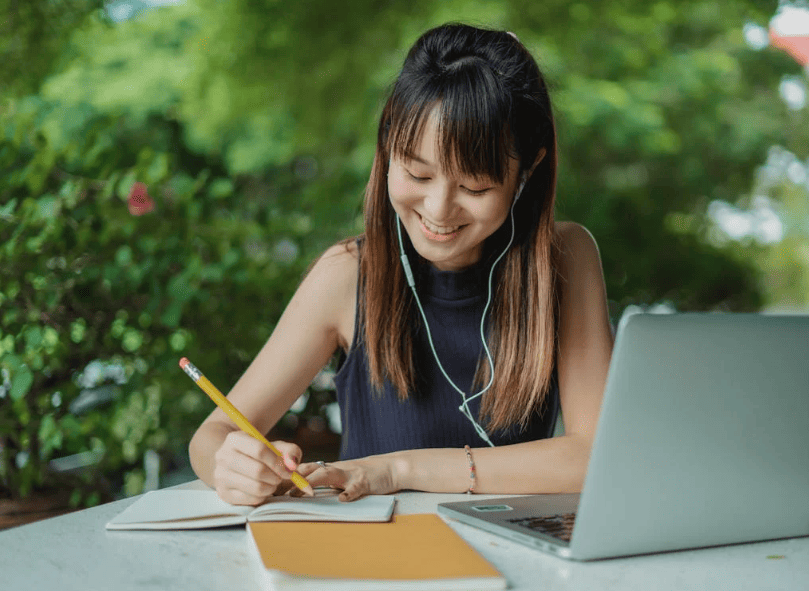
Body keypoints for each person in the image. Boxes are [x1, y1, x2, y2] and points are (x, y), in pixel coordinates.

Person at [188, 23, 613, 505]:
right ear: (388, 144)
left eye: (475, 189)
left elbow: (593, 455)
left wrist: (399, 468)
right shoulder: (346, 275)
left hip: (513, 559)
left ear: (527, 171)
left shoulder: (566, 257)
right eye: (417, 173)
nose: (438, 209)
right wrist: (235, 465)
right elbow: (213, 434)